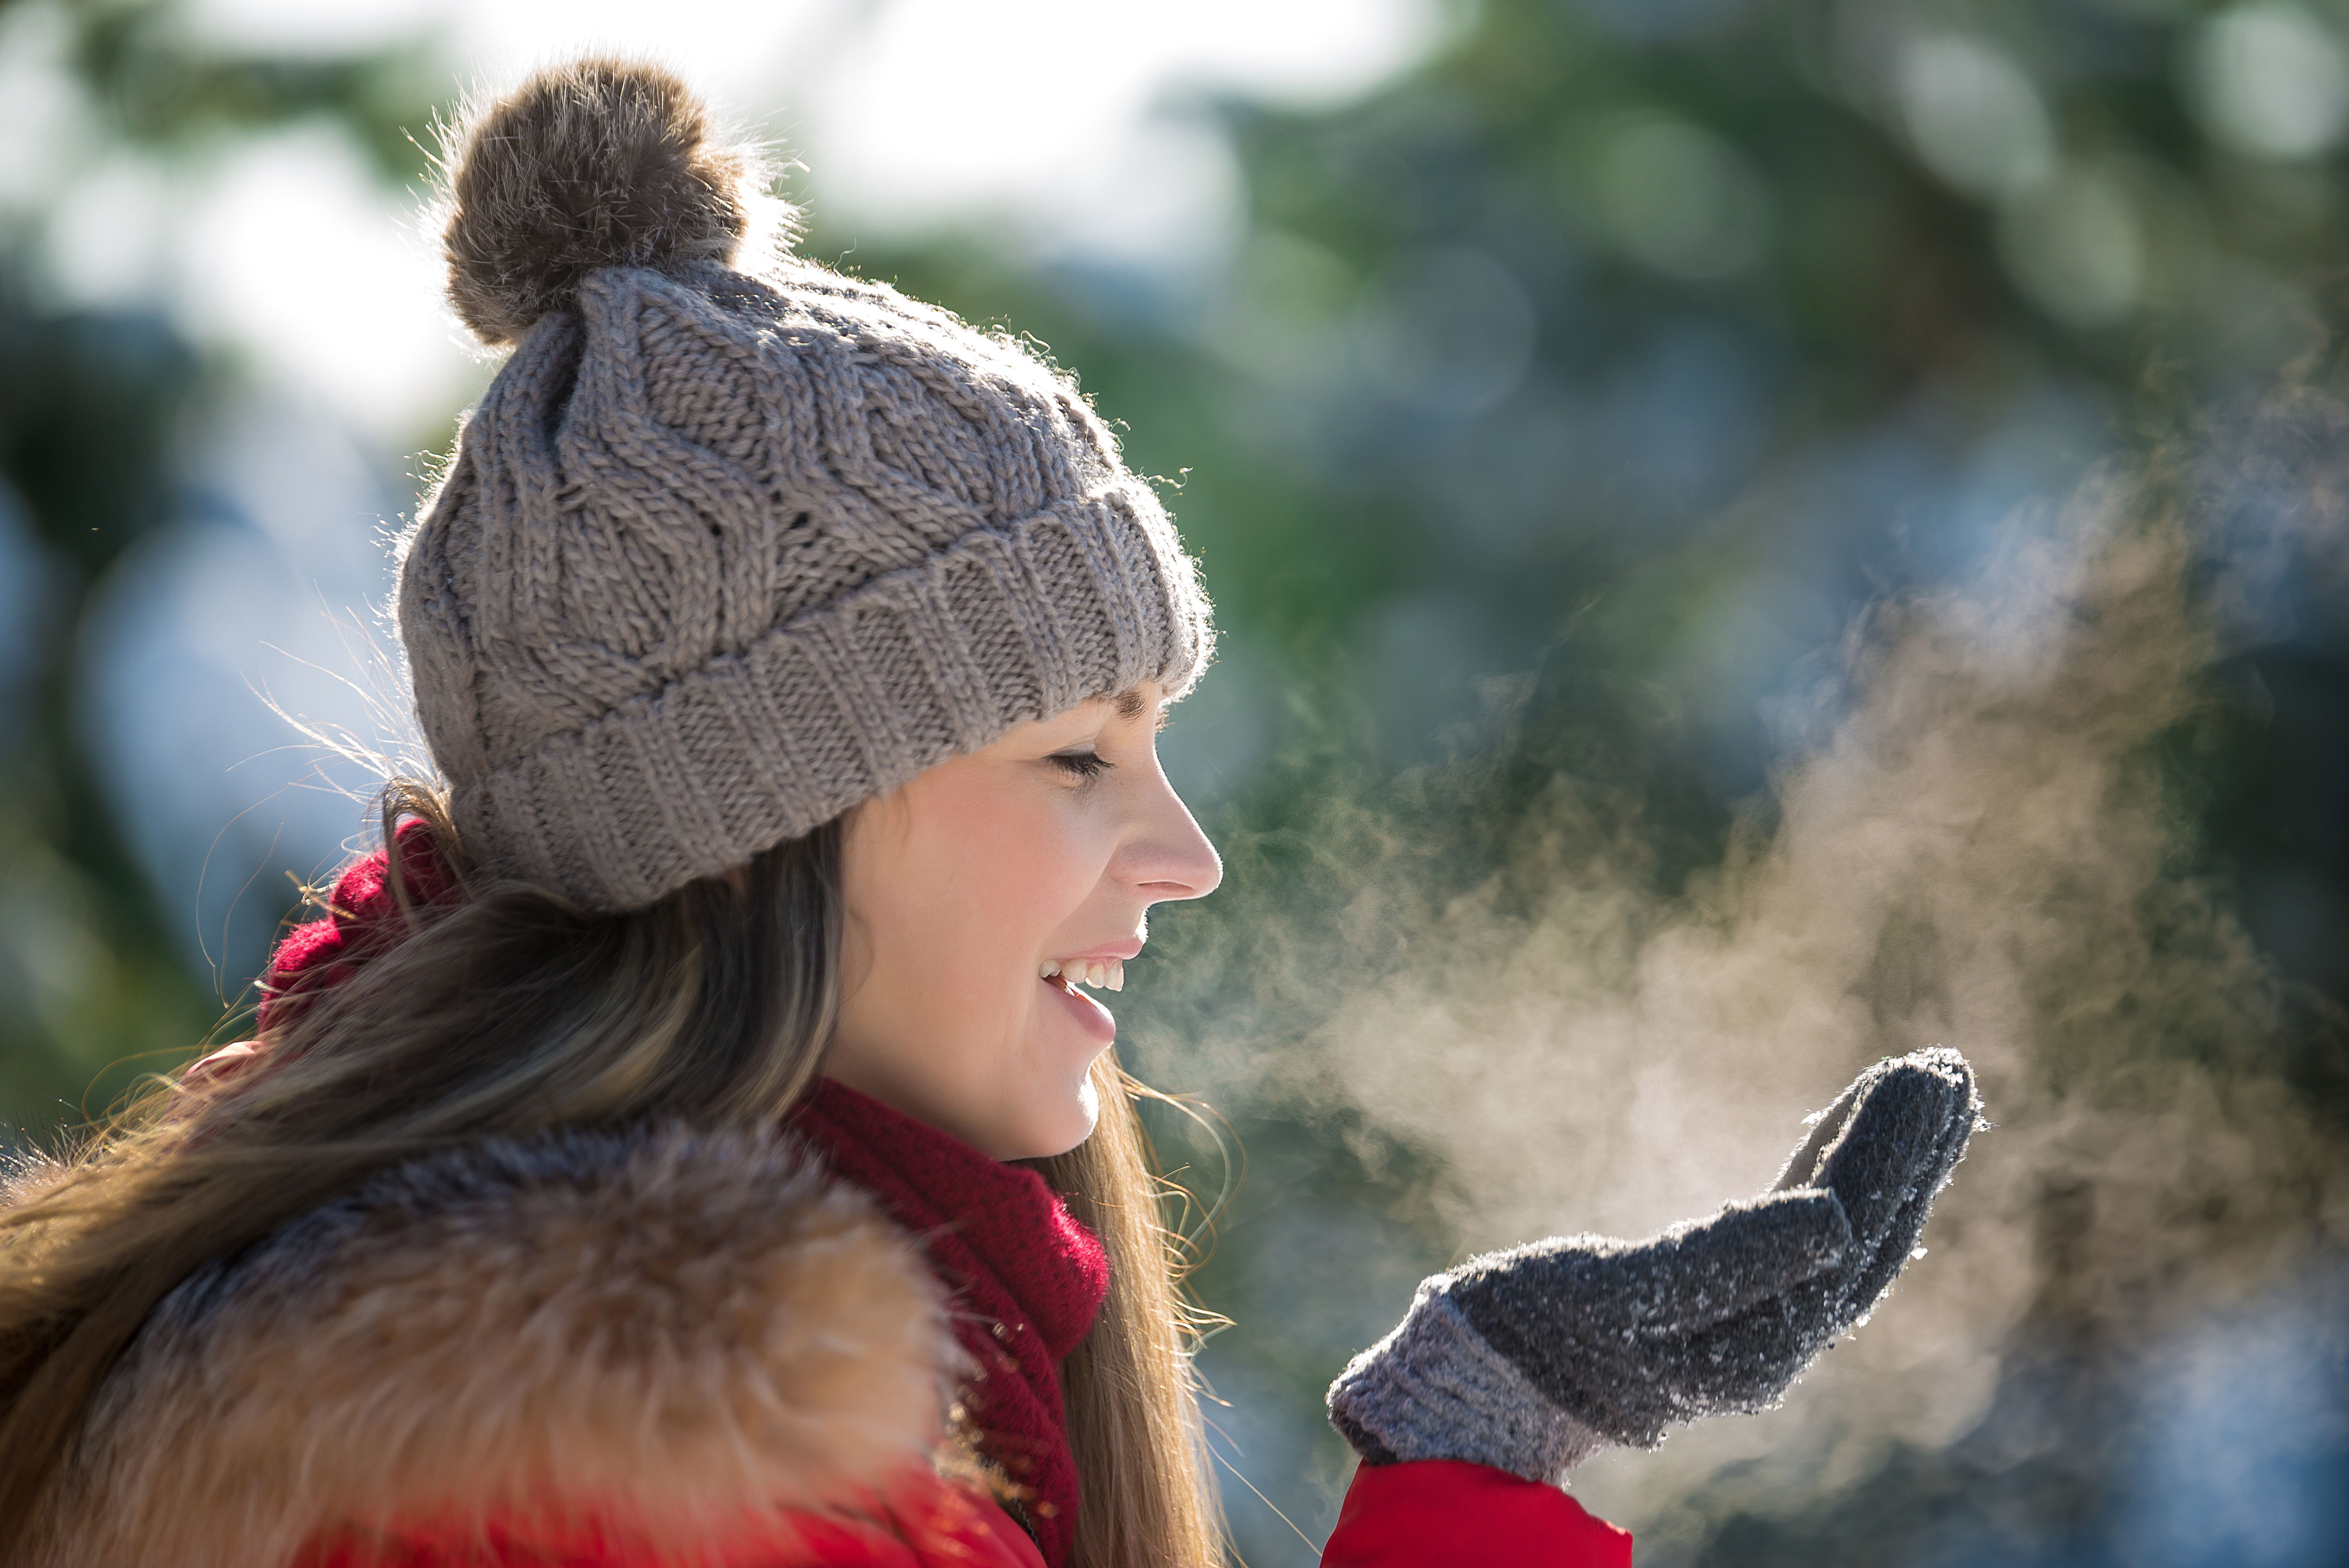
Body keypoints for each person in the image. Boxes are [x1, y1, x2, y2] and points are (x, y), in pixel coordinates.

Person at [0, 59, 1978, 1568]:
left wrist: (1490, 1444)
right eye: (1073, 754)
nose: (1182, 849)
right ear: (762, 817)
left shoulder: (629, 1354)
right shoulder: (630, 1458)